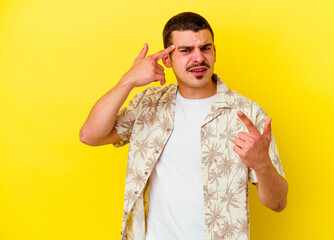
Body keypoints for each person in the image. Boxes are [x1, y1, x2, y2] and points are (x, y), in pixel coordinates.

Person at [80, 12, 288, 240]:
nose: (198, 58)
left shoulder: (247, 114)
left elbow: (278, 203)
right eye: (186, 50)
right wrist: (127, 81)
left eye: (205, 48)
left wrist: (262, 165)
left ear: (215, 53)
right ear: (167, 60)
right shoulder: (149, 104)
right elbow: (90, 135)